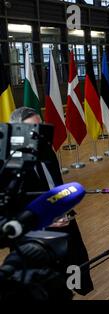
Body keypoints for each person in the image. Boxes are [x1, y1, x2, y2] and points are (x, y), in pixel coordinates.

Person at [8, 107, 94, 296]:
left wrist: (65, 209)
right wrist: (45, 218)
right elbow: (12, 209)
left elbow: (56, 185)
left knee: (72, 273)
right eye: (33, 128)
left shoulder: (46, 150)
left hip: (65, 224)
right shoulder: (10, 165)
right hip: (36, 234)